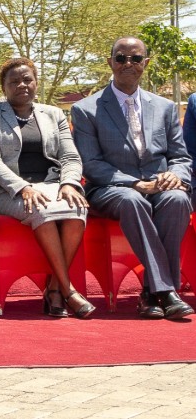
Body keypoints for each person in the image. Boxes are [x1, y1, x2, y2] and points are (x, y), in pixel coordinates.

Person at [72, 37, 194, 320]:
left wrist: (174, 175)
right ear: (110, 63)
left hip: (160, 185)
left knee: (178, 199)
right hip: (110, 188)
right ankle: (167, 291)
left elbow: (181, 156)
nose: (128, 64)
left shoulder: (164, 107)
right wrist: (135, 183)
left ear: (145, 64)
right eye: (121, 58)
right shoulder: (87, 109)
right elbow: (90, 164)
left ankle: (152, 293)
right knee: (132, 200)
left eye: (135, 59)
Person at [0, 58, 95, 318]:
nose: (22, 85)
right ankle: (69, 292)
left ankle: (54, 289)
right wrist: (22, 188)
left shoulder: (53, 114)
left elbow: (70, 156)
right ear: (4, 87)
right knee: (42, 211)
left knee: (76, 210)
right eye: (14, 81)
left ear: (36, 82)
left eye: (27, 79)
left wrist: (69, 183)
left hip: (52, 185)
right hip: (6, 191)